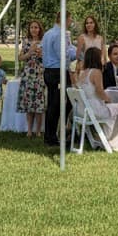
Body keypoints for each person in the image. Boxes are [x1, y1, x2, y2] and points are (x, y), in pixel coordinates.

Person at [75, 47, 118, 151]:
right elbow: (99, 91)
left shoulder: (83, 73)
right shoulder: (96, 72)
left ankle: (102, 138)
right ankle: (116, 142)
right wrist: (108, 100)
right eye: (101, 57)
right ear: (97, 58)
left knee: (115, 108)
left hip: (82, 110)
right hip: (94, 109)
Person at [42, 12, 77, 147]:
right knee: (57, 104)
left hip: (49, 71)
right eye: (70, 20)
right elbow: (63, 54)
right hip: (58, 72)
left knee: (53, 104)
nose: (70, 22)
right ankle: (51, 137)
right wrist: (78, 54)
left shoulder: (48, 33)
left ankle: (50, 135)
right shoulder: (59, 35)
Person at [17, 20, 46, 138]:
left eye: (36, 27)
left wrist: (41, 54)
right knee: (29, 103)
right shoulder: (26, 42)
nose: (34, 29)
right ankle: (29, 129)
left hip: (39, 75)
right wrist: (29, 52)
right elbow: (20, 58)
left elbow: (48, 58)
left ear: (40, 29)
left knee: (38, 104)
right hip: (28, 75)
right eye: (32, 27)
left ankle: (38, 130)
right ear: (29, 29)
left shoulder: (44, 42)